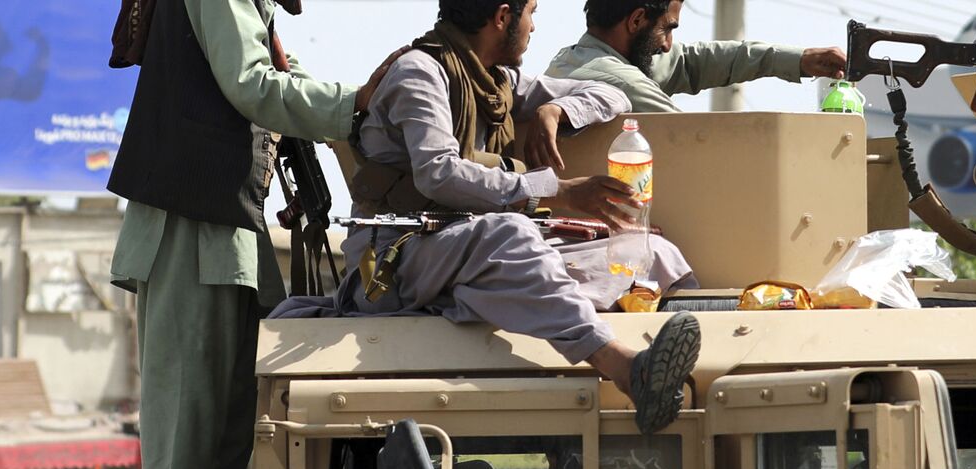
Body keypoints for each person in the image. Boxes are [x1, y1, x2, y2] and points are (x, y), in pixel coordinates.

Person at [271, 0, 702, 436]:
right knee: (512, 235)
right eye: (530, 12)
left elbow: (614, 95)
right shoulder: (420, 74)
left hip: (462, 245)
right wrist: (555, 189)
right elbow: (440, 174)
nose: (534, 26)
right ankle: (626, 368)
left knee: (648, 251)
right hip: (396, 258)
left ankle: (689, 387)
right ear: (501, 17)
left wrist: (556, 110)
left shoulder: (496, 82)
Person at [105, 0, 395, 469]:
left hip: (222, 216)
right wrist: (354, 103)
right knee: (191, 384)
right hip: (187, 216)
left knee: (230, 388)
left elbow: (274, 79)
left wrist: (352, 102)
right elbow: (252, 85)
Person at [545, 0, 846, 112]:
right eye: (666, 29)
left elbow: (692, 61)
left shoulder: (580, 57)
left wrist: (799, 59)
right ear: (636, 20)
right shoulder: (622, 82)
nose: (667, 45)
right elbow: (696, 140)